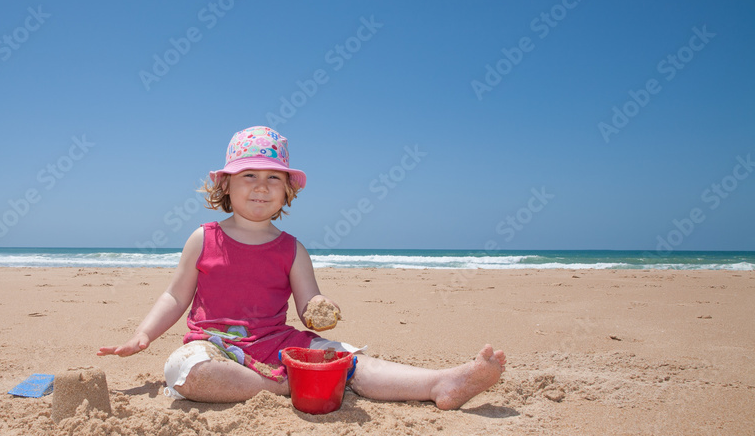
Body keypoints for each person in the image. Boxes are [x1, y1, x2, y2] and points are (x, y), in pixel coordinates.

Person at [98, 126, 506, 409]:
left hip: (275, 340)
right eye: (249, 176)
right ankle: (283, 384)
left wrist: (320, 308)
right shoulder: (203, 238)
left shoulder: (292, 249)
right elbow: (175, 295)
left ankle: (438, 383)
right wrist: (143, 334)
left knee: (346, 358)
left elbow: (310, 301)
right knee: (185, 373)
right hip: (214, 343)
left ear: (288, 189)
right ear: (224, 185)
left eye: (273, 178)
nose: (261, 186)